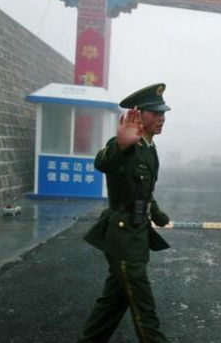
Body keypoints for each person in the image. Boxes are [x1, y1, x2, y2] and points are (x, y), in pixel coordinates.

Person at [78, 83, 172, 343]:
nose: (162, 118)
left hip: (137, 235)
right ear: (138, 115)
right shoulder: (125, 146)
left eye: (163, 113)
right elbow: (103, 162)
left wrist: (158, 214)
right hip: (123, 237)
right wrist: (121, 146)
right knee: (144, 308)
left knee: (113, 303)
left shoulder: (149, 149)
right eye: (155, 113)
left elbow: (144, 191)